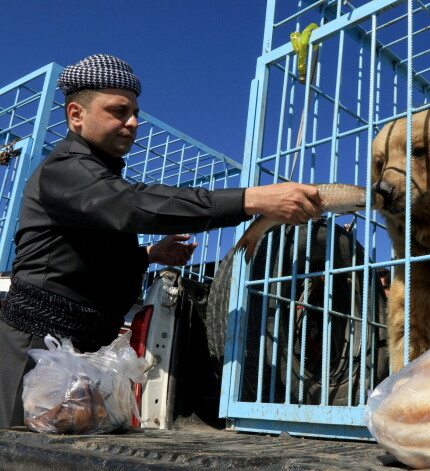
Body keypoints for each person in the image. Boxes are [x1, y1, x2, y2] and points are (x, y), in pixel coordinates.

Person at [0, 54, 322, 429]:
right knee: (20, 449)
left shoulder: (95, 177)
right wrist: (250, 200)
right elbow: (131, 204)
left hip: (81, 354)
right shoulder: (65, 168)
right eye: (119, 111)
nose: (133, 123)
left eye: (135, 112)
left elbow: (81, 256)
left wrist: (150, 254)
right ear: (76, 115)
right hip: (38, 351)